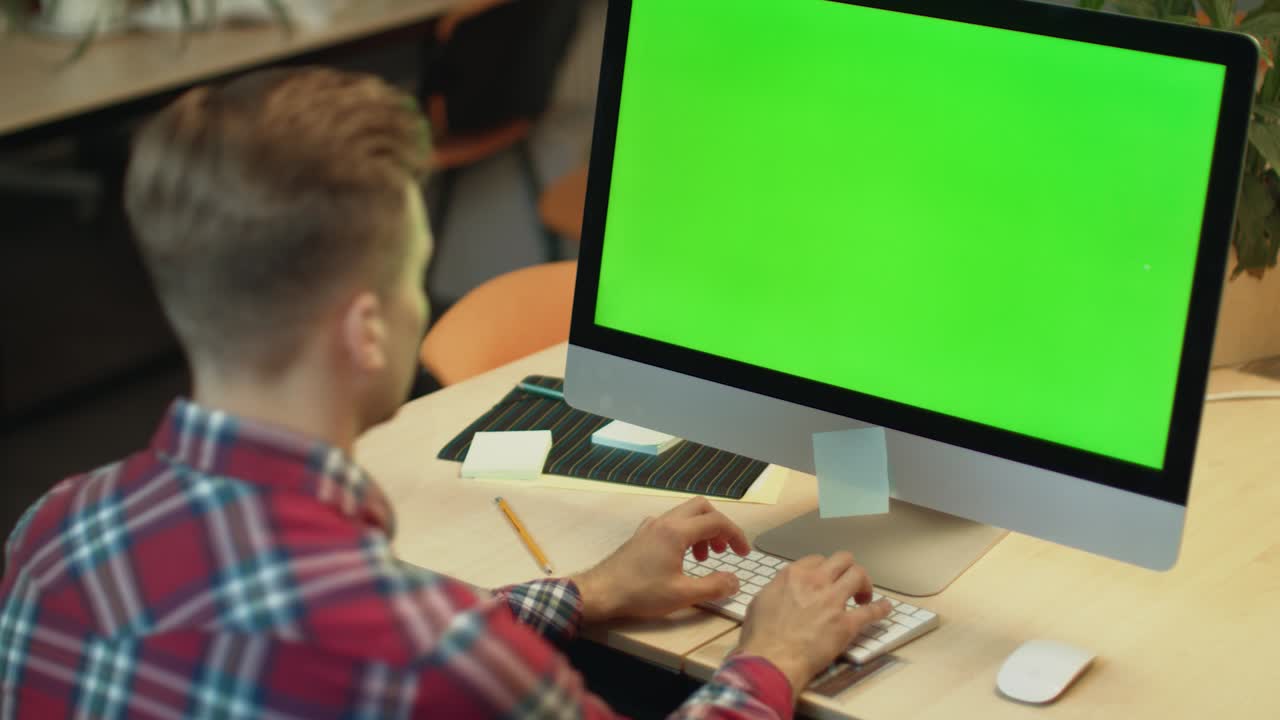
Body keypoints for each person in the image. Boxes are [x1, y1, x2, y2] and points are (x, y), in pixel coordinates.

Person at [0, 68, 892, 719]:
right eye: (413, 272)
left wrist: (585, 592)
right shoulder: (432, 657)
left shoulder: (49, 533)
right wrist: (773, 656)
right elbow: (404, 657)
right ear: (366, 330)